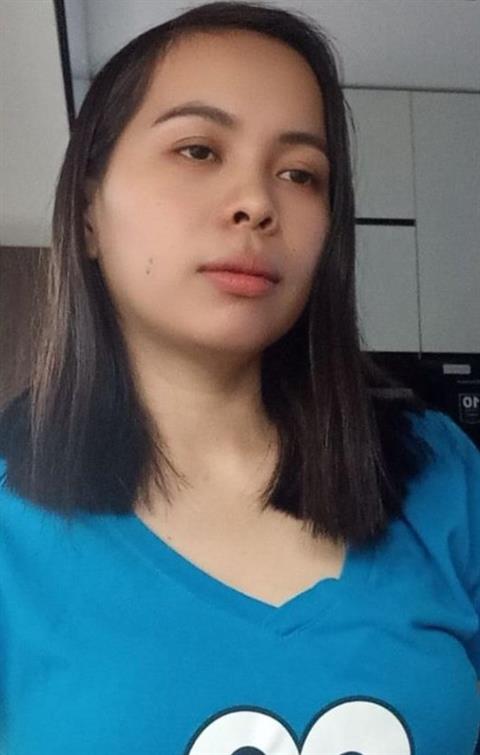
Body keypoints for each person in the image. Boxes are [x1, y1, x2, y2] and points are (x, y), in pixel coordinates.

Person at [0, 2, 478, 753]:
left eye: (300, 173)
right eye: (198, 150)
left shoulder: (441, 472)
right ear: (89, 209)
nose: (258, 203)